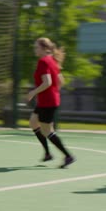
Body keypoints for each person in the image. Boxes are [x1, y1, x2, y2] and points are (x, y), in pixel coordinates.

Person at [27, 38, 75, 168]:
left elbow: (47, 82)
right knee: (33, 122)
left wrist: (33, 92)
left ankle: (68, 155)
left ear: (44, 48)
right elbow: (60, 80)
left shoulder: (43, 61)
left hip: (47, 102)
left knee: (47, 131)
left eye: (37, 47)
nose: (35, 49)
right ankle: (48, 153)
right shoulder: (53, 60)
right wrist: (54, 92)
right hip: (48, 100)